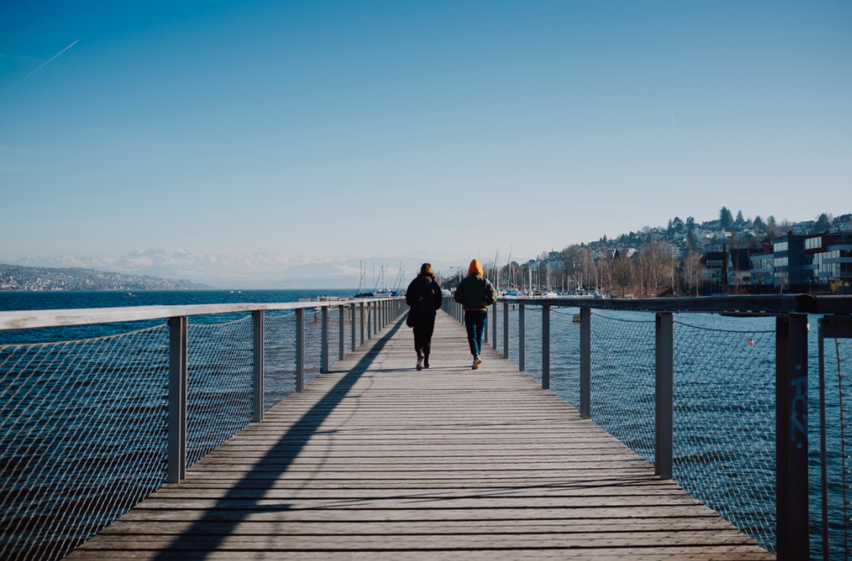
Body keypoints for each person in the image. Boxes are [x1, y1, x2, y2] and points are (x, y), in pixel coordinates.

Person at [454, 259, 497, 369]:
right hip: (482, 311)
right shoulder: (485, 281)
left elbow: (457, 297)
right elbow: (493, 297)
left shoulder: (465, 282)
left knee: (472, 335)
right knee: (479, 334)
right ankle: (477, 356)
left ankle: (475, 355)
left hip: (470, 311)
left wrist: (466, 301)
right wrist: (485, 303)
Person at [406, 263, 443, 371]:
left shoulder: (414, 282)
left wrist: (415, 303)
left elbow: (408, 300)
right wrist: (432, 308)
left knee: (418, 335)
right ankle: (426, 361)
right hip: (430, 314)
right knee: (428, 336)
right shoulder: (434, 284)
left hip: (418, 312)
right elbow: (439, 302)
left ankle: (419, 354)